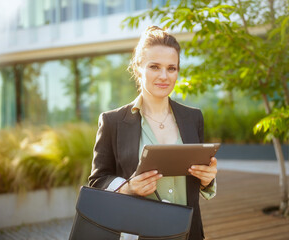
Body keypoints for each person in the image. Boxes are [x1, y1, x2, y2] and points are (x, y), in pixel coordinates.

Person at [88, 26, 217, 240]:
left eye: (172, 68)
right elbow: (97, 180)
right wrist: (127, 188)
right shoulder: (112, 122)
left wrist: (208, 179)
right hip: (137, 232)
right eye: (154, 67)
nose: (164, 76)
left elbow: (199, 177)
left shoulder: (193, 118)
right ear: (138, 68)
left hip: (188, 232)